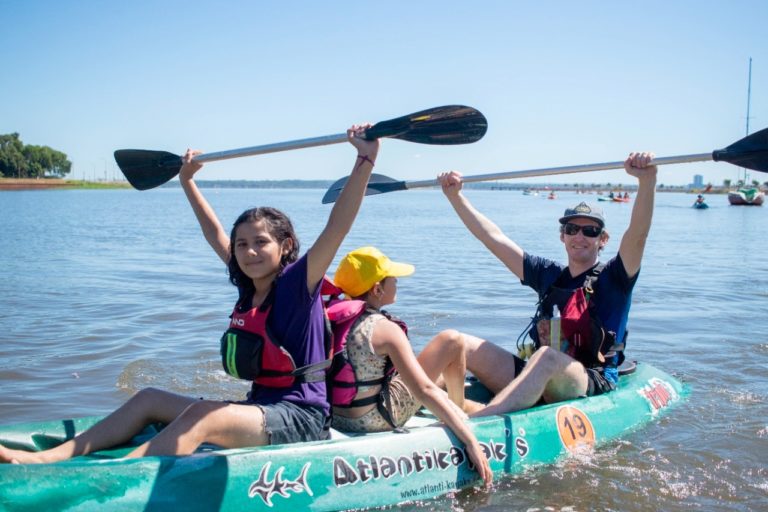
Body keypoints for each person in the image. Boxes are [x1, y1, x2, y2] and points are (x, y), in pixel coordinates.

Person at [0, 123, 380, 464]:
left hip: (300, 417)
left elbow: (337, 227)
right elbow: (215, 233)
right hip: (259, 406)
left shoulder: (299, 284)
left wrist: (364, 159)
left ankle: (120, 474)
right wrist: (187, 181)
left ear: (286, 245)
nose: (249, 252)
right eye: (242, 243)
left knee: (201, 415)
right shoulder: (247, 285)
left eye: (261, 242)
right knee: (148, 397)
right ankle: (49, 458)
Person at [438, 152, 657, 415]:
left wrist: (647, 182)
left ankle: (481, 421)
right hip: (538, 374)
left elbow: (638, 235)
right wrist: (455, 197)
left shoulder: (614, 279)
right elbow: (493, 238)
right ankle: (412, 399)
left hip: (589, 381)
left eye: (590, 231)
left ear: (603, 239)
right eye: (572, 229)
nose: (580, 236)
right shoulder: (548, 274)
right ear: (562, 236)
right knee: (461, 344)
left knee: (547, 358)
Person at [326, 246, 492, 484]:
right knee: (452, 341)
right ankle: (458, 410)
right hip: (376, 419)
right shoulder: (384, 329)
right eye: (392, 278)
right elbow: (423, 389)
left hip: (338, 417)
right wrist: (469, 440)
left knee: (418, 372)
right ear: (377, 288)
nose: (397, 282)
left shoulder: (328, 318)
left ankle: (457, 402)